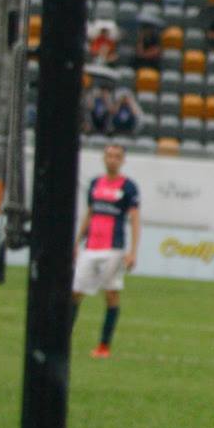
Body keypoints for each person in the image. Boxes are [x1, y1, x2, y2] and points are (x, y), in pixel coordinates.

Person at [75, 144, 141, 358]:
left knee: (111, 295)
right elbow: (90, 213)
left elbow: (134, 220)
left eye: (117, 156)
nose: (112, 159)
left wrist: (133, 251)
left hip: (113, 248)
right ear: (104, 158)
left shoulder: (129, 187)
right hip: (91, 247)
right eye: (109, 155)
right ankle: (62, 339)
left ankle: (104, 346)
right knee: (75, 293)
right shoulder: (95, 184)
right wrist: (77, 242)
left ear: (122, 161)